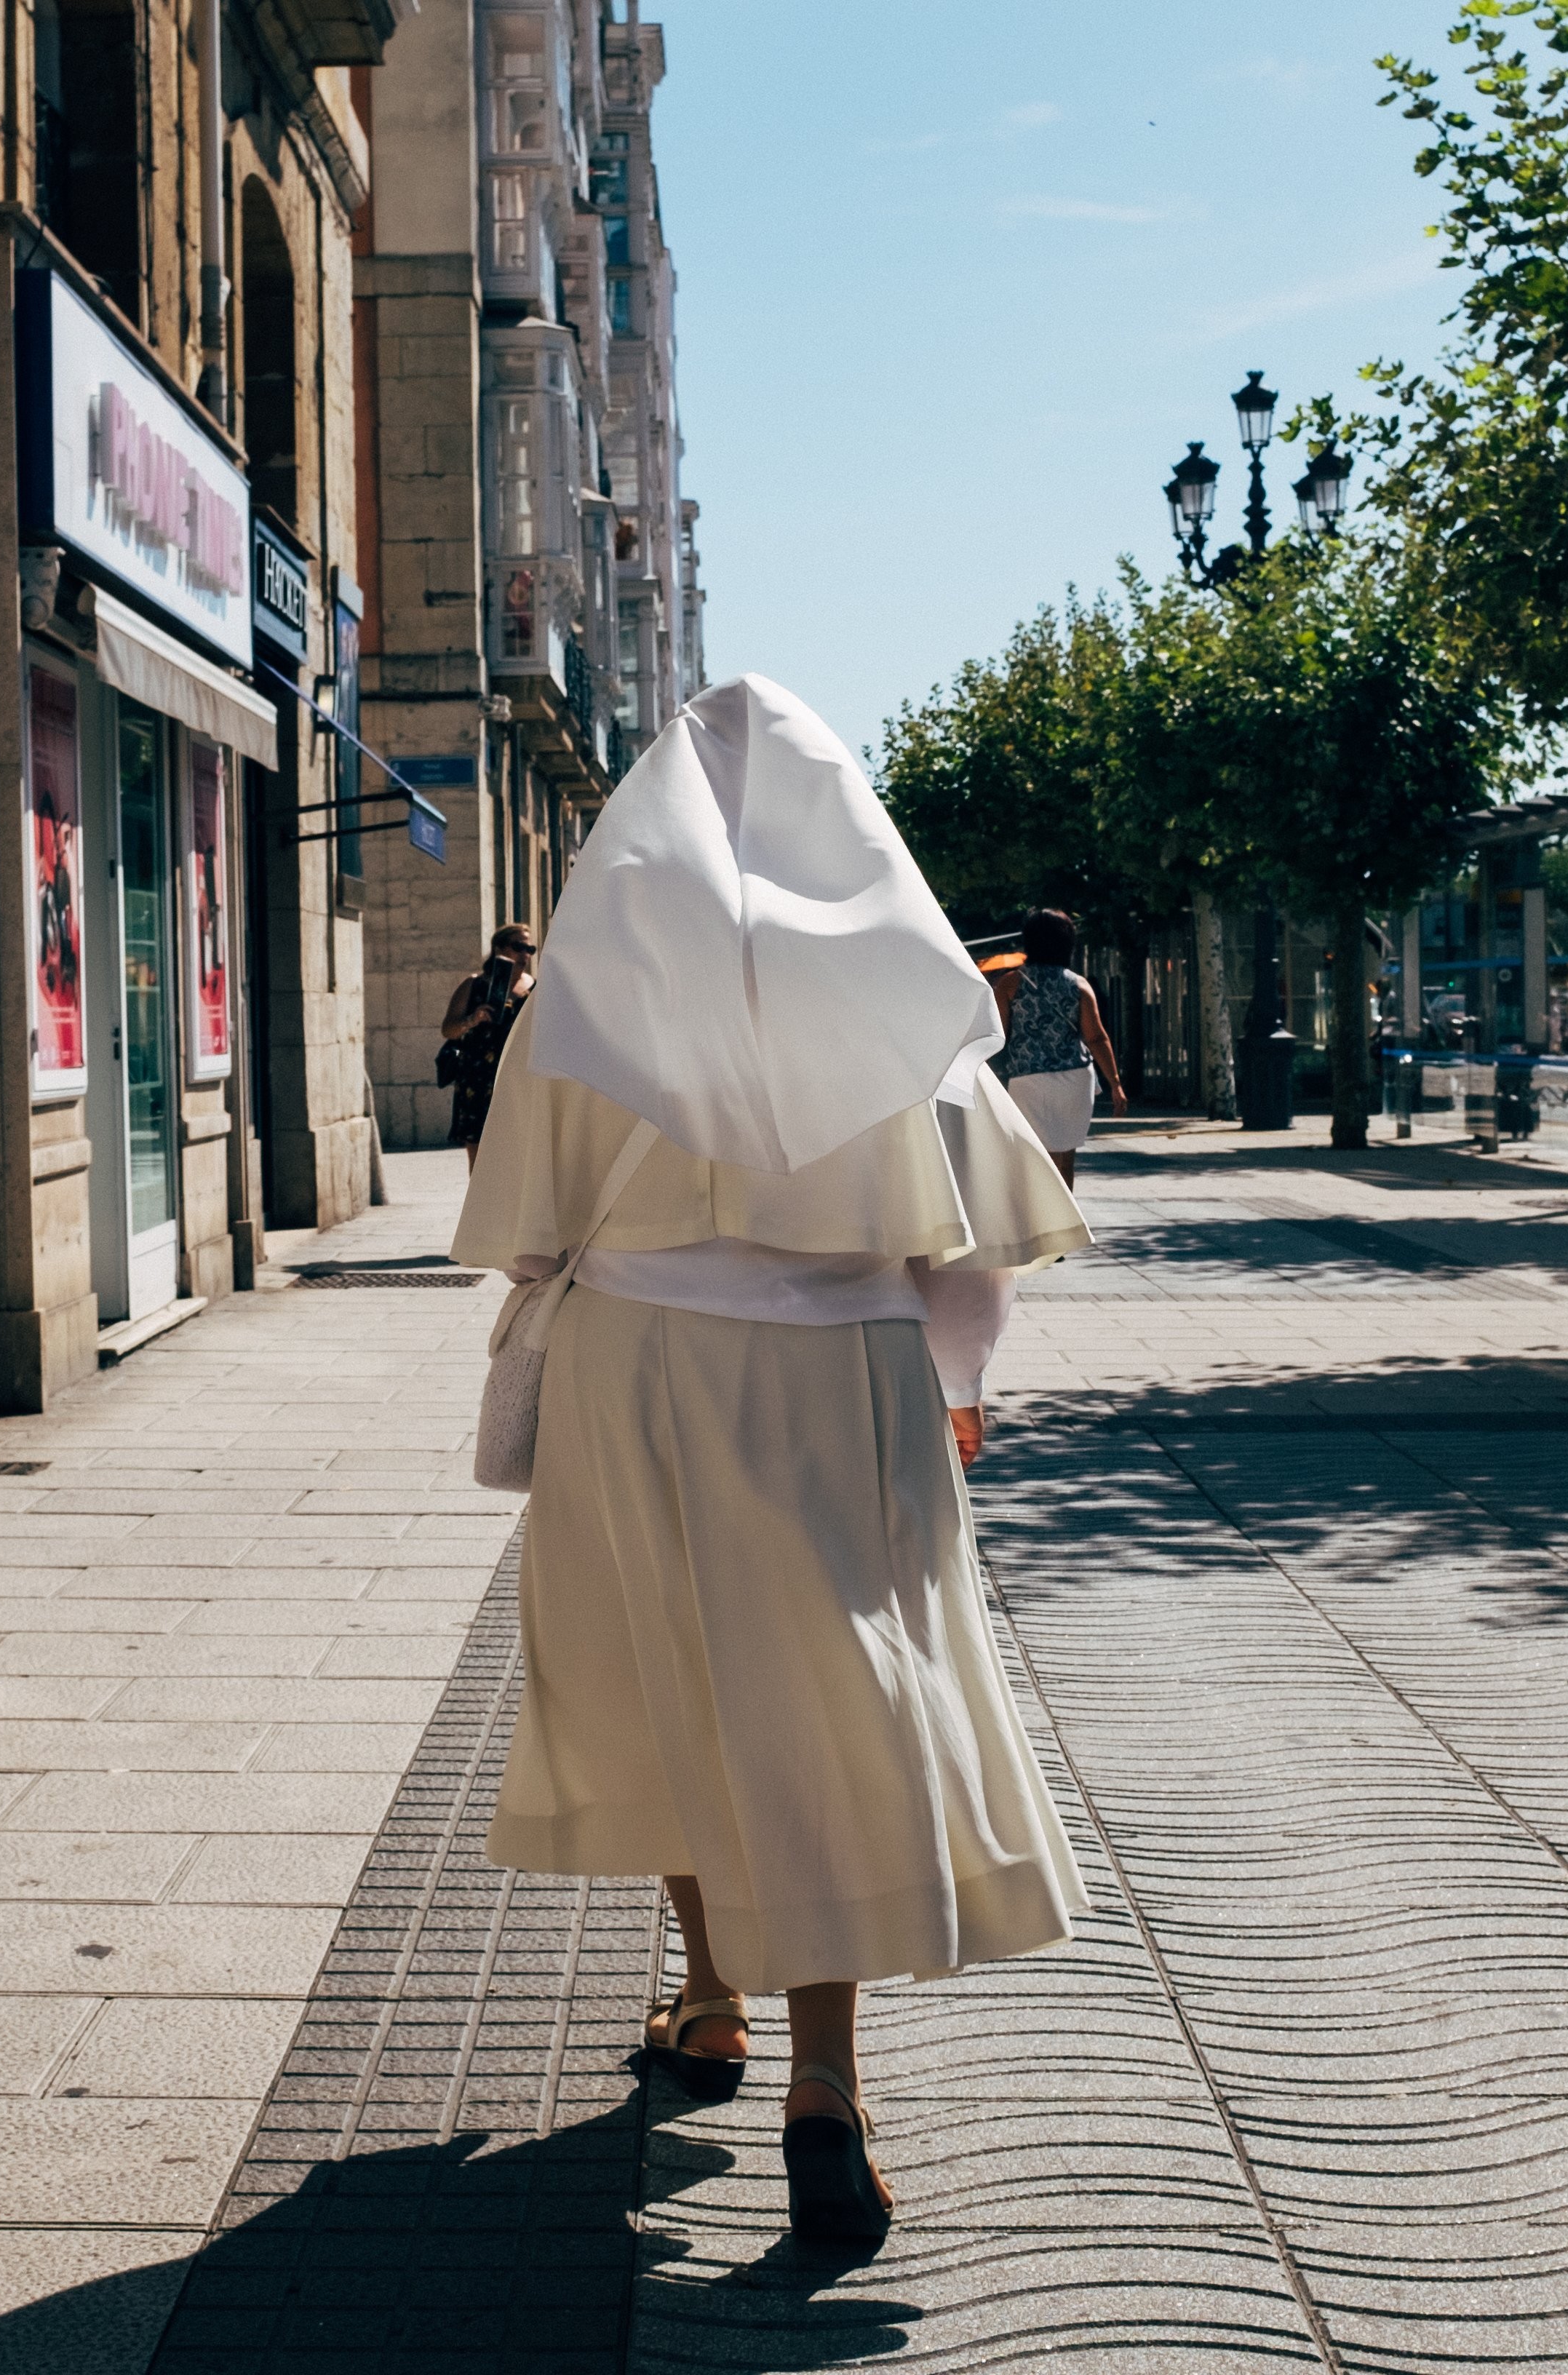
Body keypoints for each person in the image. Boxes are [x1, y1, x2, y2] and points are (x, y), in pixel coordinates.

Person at [454, 673, 1094, 2244]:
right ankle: (828, 2081)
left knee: (662, 1666)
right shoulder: (903, 991)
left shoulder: (585, 994)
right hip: (845, 1370)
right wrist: (957, 1390)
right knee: (832, 1692)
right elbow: (975, 1248)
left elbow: (523, 1229)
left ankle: (708, 1996)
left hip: (637, 1366)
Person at [990, 909, 1126, 1188]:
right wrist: (1115, 1083)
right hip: (1075, 1079)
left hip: (1028, 1080)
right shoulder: (1078, 984)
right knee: (1065, 1159)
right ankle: (1067, 1223)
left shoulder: (1010, 984)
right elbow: (1096, 1038)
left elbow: (997, 1035)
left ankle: (1043, 1221)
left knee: (1034, 1158)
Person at [439, 923, 540, 1165]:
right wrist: (472, 1020)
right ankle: (481, 1203)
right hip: (478, 1078)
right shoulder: (474, 985)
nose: (525, 954)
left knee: (519, 1153)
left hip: (519, 1078)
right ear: (499, 949)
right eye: (518, 947)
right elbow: (448, 1030)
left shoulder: (535, 988)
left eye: (530, 949)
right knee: (480, 1152)